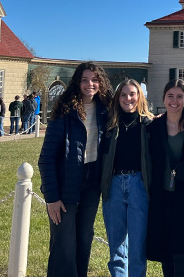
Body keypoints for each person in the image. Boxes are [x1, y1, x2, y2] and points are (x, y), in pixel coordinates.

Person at [39, 62, 113, 277]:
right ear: (77, 82)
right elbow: (46, 158)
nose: (90, 84)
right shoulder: (65, 110)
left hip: (92, 183)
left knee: (83, 238)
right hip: (66, 184)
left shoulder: (105, 110)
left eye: (94, 80)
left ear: (101, 83)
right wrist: (51, 197)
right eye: (85, 80)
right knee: (64, 241)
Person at [146, 79, 184, 277]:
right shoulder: (154, 126)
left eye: (179, 96)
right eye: (170, 96)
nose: (174, 100)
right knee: (166, 247)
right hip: (162, 195)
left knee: (182, 247)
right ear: (163, 98)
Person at [100, 79, 154, 277]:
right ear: (118, 97)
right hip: (113, 184)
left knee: (137, 246)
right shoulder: (109, 123)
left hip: (138, 184)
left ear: (139, 96)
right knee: (116, 246)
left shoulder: (148, 124)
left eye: (132, 94)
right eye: (123, 94)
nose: (128, 98)